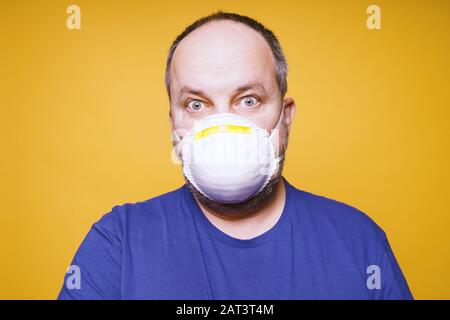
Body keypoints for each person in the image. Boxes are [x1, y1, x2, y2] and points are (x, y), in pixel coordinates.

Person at [58, 11, 413, 299]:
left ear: (285, 116)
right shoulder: (118, 244)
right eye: (196, 104)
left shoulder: (358, 241)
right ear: (174, 125)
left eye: (248, 100)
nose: (223, 125)